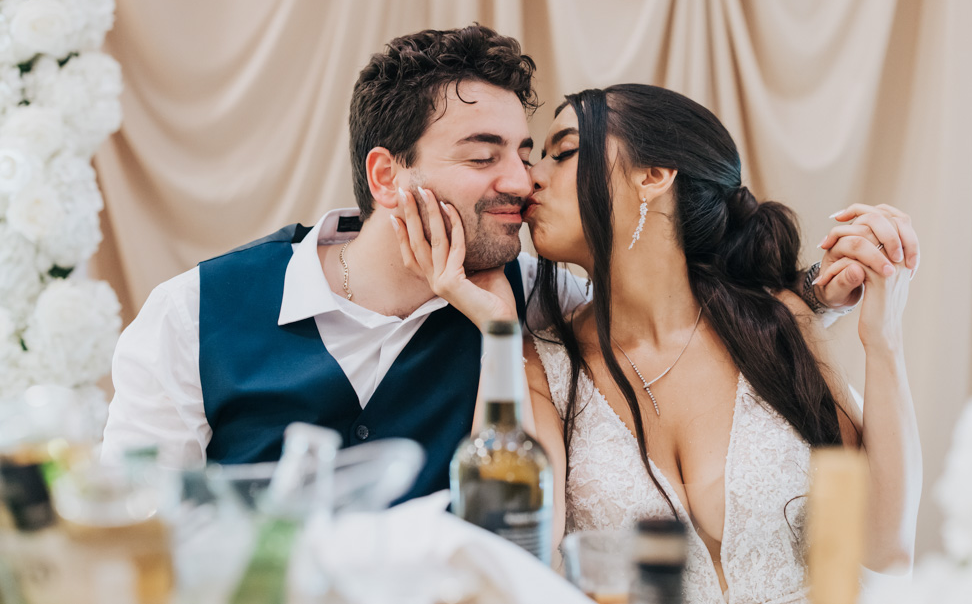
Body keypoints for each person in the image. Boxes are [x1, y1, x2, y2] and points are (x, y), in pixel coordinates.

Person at [102, 25, 909, 505]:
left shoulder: (541, 302)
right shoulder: (193, 314)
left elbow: (683, 307)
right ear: (386, 175)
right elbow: (135, 525)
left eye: (526, 153)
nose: (522, 181)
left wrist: (819, 293)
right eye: (483, 155)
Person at [392, 84, 921, 601]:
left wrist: (883, 338)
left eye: (565, 152)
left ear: (653, 176)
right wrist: (498, 328)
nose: (530, 179)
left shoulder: (779, 324)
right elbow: (512, 560)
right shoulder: (543, 365)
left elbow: (885, 549)